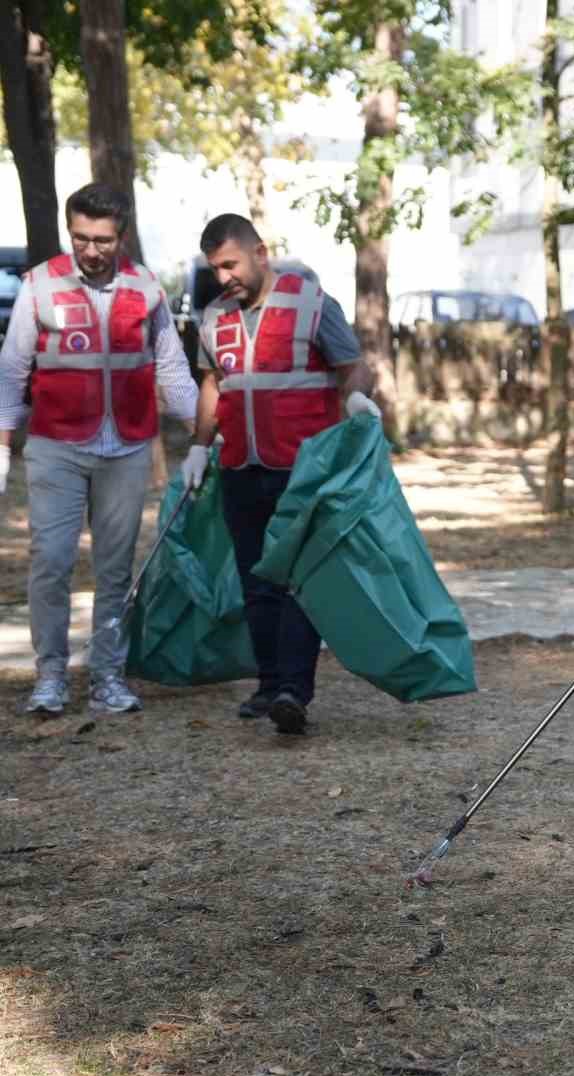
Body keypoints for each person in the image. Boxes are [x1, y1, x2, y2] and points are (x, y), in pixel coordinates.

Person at [0, 183, 199, 716]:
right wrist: (2, 442)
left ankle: (108, 677)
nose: (90, 250)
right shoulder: (39, 286)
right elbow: (12, 369)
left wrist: (206, 431)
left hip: (127, 446)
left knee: (114, 568)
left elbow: (172, 367)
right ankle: (50, 677)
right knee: (52, 561)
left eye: (102, 240)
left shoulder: (147, 289)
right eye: (80, 238)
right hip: (55, 445)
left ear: (122, 236)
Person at [185, 214, 378, 735]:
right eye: (215, 268)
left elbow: (351, 363)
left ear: (260, 252)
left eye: (231, 263)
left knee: (299, 583)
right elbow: (212, 386)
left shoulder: (311, 303)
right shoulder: (213, 317)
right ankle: (269, 685)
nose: (224, 276)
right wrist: (199, 449)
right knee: (256, 582)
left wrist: (357, 395)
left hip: (303, 470)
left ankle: (294, 690)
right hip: (241, 467)